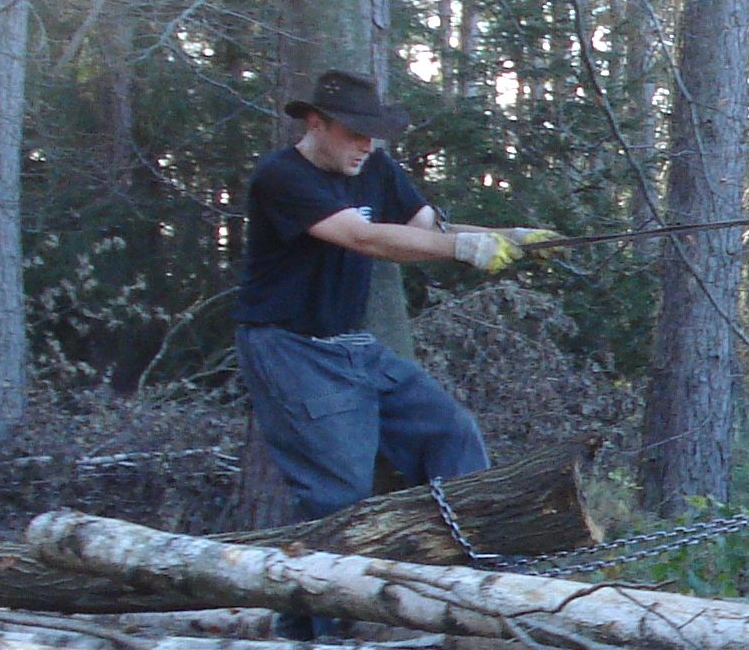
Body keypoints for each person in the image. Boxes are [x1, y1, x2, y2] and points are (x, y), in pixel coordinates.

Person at [234, 69, 555, 543]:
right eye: (354, 134)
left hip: (352, 346)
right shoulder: (281, 177)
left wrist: (508, 238)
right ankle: (315, 617)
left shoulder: (376, 170)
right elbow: (362, 237)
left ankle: (473, 571)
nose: (365, 146)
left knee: (450, 432)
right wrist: (466, 251)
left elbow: (431, 231)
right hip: (289, 349)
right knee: (338, 494)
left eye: (372, 136)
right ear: (316, 123)